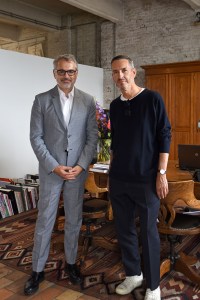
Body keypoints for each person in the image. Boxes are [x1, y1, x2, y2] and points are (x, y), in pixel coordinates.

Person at [24, 54, 98, 295]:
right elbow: (36, 138)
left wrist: (82, 164)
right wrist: (54, 166)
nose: (67, 76)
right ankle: (37, 271)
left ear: (77, 73)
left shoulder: (87, 101)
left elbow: (91, 137)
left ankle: (72, 264)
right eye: (62, 71)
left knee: (74, 220)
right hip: (52, 172)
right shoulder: (41, 100)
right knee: (45, 221)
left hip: (77, 172)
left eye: (71, 71)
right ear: (54, 73)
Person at [108, 55, 171, 300]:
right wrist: (112, 172)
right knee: (123, 229)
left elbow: (164, 135)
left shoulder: (152, 99)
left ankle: (154, 285)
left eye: (123, 70)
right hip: (120, 179)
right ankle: (133, 274)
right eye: (115, 72)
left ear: (133, 72)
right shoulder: (114, 105)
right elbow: (116, 143)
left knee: (148, 232)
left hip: (146, 179)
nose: (120, 76)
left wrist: (161, 173)